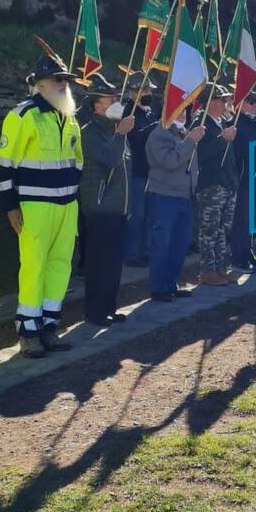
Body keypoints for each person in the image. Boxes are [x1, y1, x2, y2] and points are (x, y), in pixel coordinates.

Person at [0, 47, 83, 356]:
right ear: (40, 83)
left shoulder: (69, 117)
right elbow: (3, 164)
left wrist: (72, 197)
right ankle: (28, 331)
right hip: (34, 207)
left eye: (66, 79)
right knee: (33, 266)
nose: (63, 84)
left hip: (66, 207)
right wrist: (10, 206)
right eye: (56, 79)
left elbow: (77, 162)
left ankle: (49, 326)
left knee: (60, 266)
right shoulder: (23, 114)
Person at [79, 74, 135, 327]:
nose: (116, 101)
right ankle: (95, 311)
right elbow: (110, 159)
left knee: (113, 263)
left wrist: (128, 204)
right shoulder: (90, 132)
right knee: (98, 263)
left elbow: (126, 170)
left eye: (116, 97)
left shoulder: (115, 130)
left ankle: (109, 307)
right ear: (96, 105)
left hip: (117, 208)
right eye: (110, 98)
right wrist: (121, 134)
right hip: (99, 208)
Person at [144, 107, 204, 301]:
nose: (182, 114)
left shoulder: (183, 132)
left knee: (179, 244)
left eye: (183, 109)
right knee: (162, 244)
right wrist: (190, 142)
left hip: (184, 195)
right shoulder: (159, 133)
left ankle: (171, 283)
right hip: (164, 196)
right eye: (177, 108)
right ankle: (159, 287)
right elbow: (170, 161)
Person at [194, 85, 239, 286]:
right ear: (211, 102)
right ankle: (207, 270)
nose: (226, 103)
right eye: (222, 99)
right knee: (209, 230)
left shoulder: (221, 123)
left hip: (226, 183)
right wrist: (222, 140)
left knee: (223, 229)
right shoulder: (201, 123)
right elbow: (200, 156)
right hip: (211, 185)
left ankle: (220, 267)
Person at [123, 75, 158, 267]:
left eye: (150, 90)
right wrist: (155, 128)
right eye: (145, 91)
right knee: (136, 215)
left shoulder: (148, 113)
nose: (149, 94)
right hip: (136, 171)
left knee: (150, 214)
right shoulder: (128, 112)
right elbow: (135, 141)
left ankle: (145, 251)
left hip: (150, 171)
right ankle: (132, 254)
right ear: (134, 92)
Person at [229, 88, 256, 271]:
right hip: (244, 178)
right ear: (241, 103)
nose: (255, 106)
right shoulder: (236, 123)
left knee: (253, 217)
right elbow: (238, 152)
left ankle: (247, 252)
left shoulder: (253, 123)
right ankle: (238, 257)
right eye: (251, 102)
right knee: (242, 219)